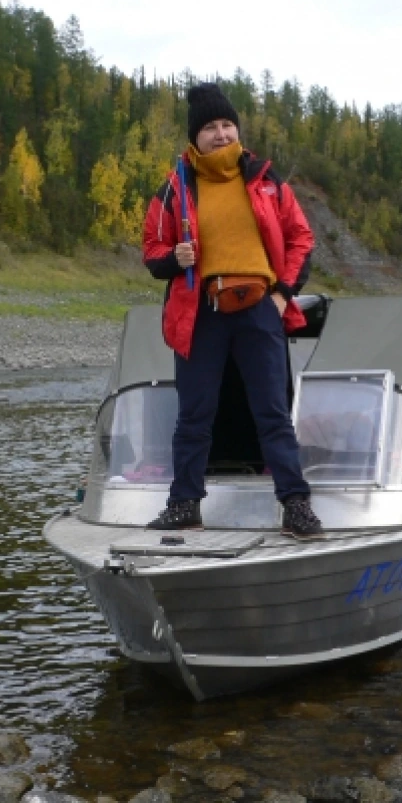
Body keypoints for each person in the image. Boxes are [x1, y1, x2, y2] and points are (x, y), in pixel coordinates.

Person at [141, 82, 324, 541]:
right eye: (210, 127)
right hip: (200, 310)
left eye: (227, 125)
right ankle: (184, 505)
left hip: (259, 307)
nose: (221, 134)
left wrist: (282, 294)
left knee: (272, 411)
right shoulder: (174, 187)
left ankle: (296, 507)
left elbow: (301, 238)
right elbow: (152, 249)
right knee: (194, 413)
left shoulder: (265, 180)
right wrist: (173, 260)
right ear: (195, 137)